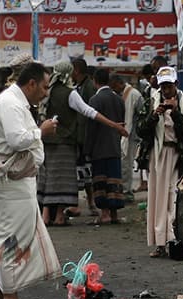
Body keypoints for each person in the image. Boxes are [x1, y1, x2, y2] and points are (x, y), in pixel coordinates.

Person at [0, 62, 60, 299]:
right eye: (45, 86)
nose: (46, 92)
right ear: (31, 84)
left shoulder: (14, 102)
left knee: (9, 235)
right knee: (11, 240)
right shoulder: (11, 104)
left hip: (14, 180)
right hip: (9, 182)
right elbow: (17, 140)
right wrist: (42, 131)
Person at [38, 61, 128, 227]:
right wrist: (114, 125)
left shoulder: (47, 92)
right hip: (65, 144)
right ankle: (58, 217)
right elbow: (89, 112)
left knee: (49, 179)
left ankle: (46, 217)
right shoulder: (70, 94)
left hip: (47, 142)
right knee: (62, 181)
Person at [136, 66, 183, 258]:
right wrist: (154, 116)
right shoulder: (151, 102)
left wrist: (176, 113)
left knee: (174, 197)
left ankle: (175, 240)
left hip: (179, 156)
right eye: (163, 87)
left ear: (176, 85)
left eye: (169, 86)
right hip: (158, 155)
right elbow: (141, 130)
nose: (166, 91)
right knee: (157, 199)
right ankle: (160, 243)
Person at [85, 68, 128, 225]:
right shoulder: (119, 99)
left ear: (95, 81)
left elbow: (91, 128)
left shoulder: (94, 100)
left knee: (101, 182)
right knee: (114, 181)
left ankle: (104, 214)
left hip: (99, 148)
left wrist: (87, 149)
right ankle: (114, 214)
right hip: (114, 147)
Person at [70, 57, 99, 217]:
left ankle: (91, 203)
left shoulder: (87, 88)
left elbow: (89, 113)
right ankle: (82, 204)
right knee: (81, 172)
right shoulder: (79, 87)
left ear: (76, 70)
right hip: (80, 137)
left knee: (87, 173)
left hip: (85, 137)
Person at [111, 73, 143, 201]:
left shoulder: (132, 94)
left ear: (120, 84)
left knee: (126, 164)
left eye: (115, 87)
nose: (115, 90)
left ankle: (126, 191)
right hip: (127, 133)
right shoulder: (125, 94)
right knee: (124, 163)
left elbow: (133, 117)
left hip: (131, 135)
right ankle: (124, 189)